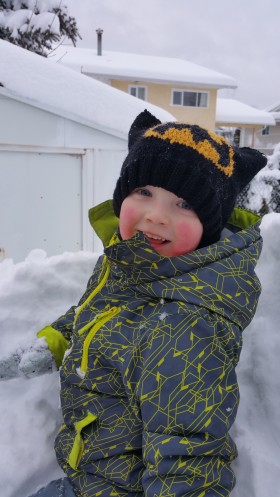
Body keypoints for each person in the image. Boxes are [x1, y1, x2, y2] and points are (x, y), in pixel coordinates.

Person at [0, 110, 267, 497]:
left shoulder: (185, 326)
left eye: (184, 204)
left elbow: (188, 461)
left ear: (209, 226)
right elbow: (102, 312)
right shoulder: (133, 264)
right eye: (144, 192)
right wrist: (55, 342)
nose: (156, 216)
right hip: (90, 475)